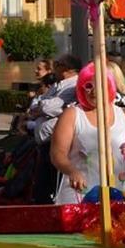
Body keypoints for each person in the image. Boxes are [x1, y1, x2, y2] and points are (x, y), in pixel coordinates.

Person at [51, 63, 125, 204]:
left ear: (109, 86)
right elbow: (57, 154)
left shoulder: (124, 115)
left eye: (99, 85)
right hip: (80, 196)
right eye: (88, 86)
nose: (93, 91)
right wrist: (71, 171)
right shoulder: (72, 114)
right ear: (81, 88)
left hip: (118, 194)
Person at [31, 54, 81, 204]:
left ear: (67, 68)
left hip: (56, 141)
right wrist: (42, 106)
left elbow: (49, 106)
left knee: (51, 184)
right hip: (43, 143)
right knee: (42, 184)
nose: (54, 68)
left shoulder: (72, 85)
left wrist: (43, 106)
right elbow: (36, 104)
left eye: (58, 64)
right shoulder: (57, 85)